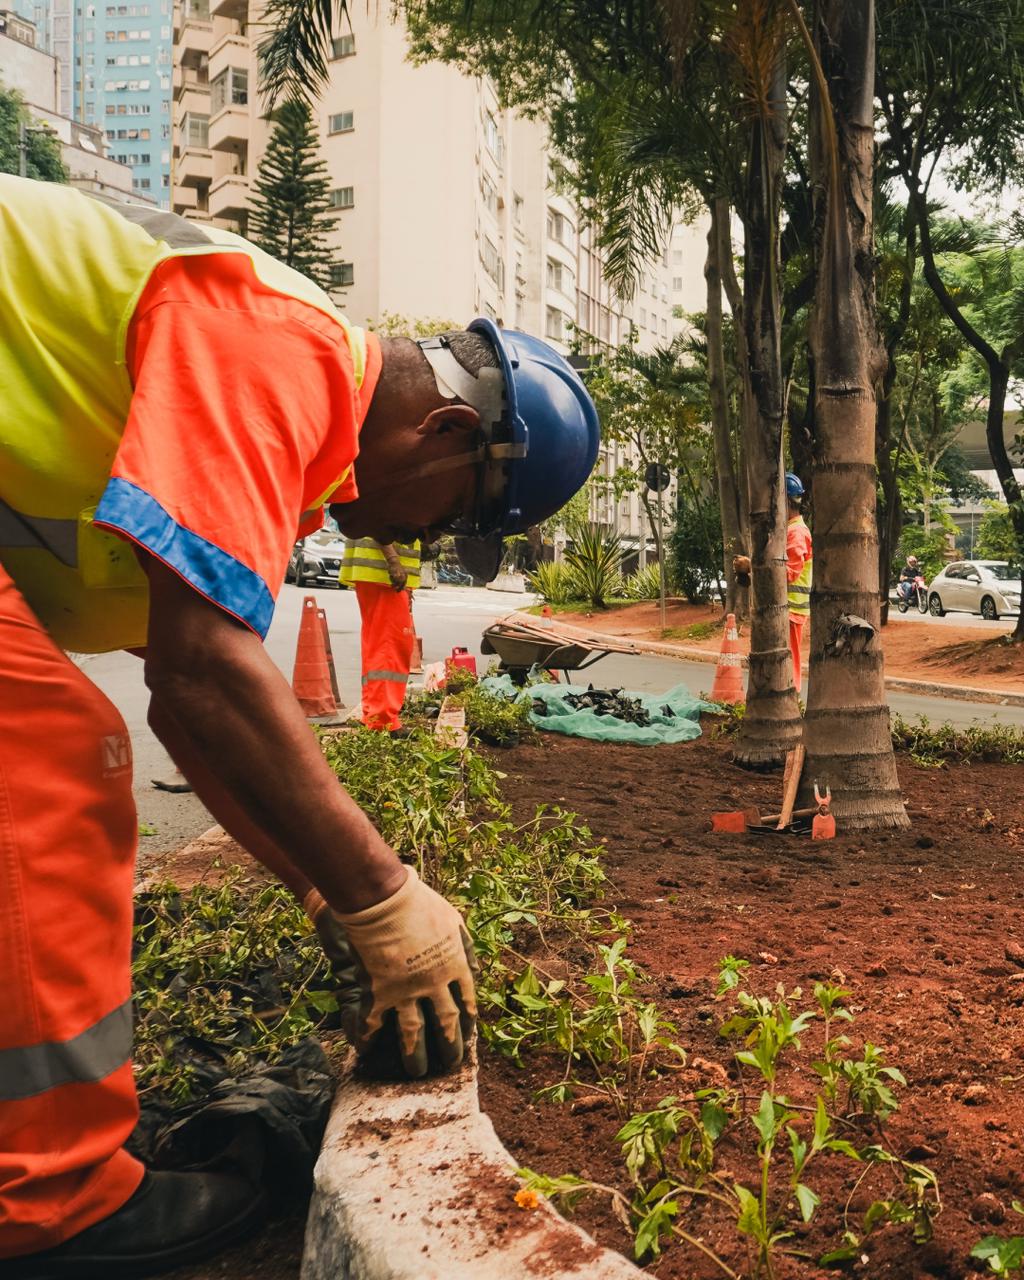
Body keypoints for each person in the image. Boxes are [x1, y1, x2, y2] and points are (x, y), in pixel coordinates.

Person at [0, 175, 599, 1278]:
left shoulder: (281, 410)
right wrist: (386, 897)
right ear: (447, 429)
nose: (419, 542)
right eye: (451, 518)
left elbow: (190, 703)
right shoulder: (281, 349)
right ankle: (53, 1202)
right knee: (48, 760)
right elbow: (205, 669)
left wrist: (321, 886)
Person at [340, 537, 421, 732]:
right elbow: (379, 520)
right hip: (384, 572)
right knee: (390, 647)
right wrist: (393, 560)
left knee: (379, 645)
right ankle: (382, 720)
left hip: (380, 572)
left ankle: (374, 714)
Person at [785, 472, 813, 694]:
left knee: (790, 659)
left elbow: (790, 572)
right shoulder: (790, 530)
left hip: (792, 610)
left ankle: (792, 699)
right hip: (789, 609)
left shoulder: (796, 532)